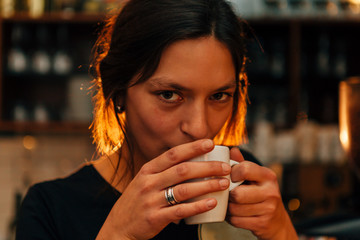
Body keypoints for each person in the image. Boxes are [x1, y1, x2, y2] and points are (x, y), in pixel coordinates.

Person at [16, 0, 298, 239]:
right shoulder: (50, 209)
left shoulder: (244, 182)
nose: (200, 128)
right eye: (169, 94)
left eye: (219, 96)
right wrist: (118, 233)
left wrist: (282, 230)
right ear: (117, 92)